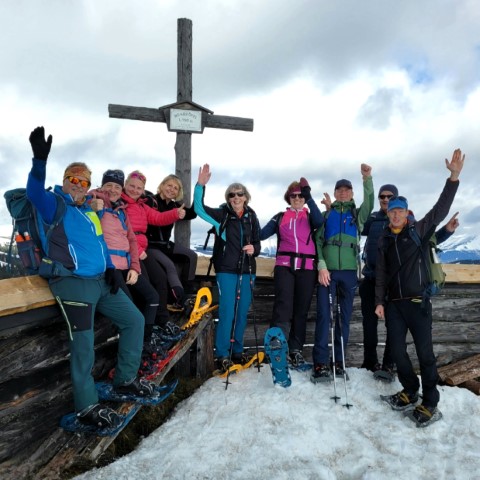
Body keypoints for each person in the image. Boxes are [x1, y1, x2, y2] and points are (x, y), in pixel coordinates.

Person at [26, 127, 156, 430]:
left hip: (101, 280)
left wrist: (111, 269)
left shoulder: (89, 211)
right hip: (72, 283)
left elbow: (100, 245)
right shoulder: (53, 206)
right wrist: (39, 161)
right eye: (73, 179)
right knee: (83, 344)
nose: (78, 185)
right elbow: (33, 191)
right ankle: (86, 406)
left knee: (134, 320)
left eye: (84, 181)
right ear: (64, 181)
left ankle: (125, 380)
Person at [375, 149, 464, 426]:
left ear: (407, 212)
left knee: (425, 353)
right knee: (398, 352)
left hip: (418, 303)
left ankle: (430, 402)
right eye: (392, 211)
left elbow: (440, 209)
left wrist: (453, 178)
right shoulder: (384, 240)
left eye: (400, 210)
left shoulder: (418, 232)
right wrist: (380, 301)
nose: (396, 215)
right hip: (394, 305)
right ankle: (410, 390)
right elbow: (381, 273)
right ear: (388, 214)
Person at [360, 183, 459, 378]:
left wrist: (447, 230)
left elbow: (431, 234)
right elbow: (356, 219)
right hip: (375, 280)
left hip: (405, 291)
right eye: (383, 197)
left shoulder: (414, 227)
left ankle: (390, 366)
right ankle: (370, 362)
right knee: (371, 326)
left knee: (409, 344)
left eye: (391, 198)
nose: (386, 200)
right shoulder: (373, 223)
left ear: (404, 211)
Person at [194, 164, 261, 371]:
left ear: (245, 196)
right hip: (226, 271)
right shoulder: (222, 215)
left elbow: (258, 242)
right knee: (227, 312)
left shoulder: (252, 216)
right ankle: (222, 354)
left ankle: (237, 351)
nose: (236, 197)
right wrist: (200, 186)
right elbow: (198, 208)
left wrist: (255, 249)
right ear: (228, 198)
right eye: (231, 195)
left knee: (241, 313)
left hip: (248, 270)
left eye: (239, 194)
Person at [311, 164, 374, 383]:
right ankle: (320, 362)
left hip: (348, 274)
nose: (344, 192)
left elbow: (370, 203)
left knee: (343, 319)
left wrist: (367, 179)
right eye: (340, 190)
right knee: (323, 317)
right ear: (336, 193)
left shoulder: (357, 215)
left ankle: (339, 361)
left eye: (347, 189)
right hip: (327, 273)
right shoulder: (326, 215)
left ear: (352, 193)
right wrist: (321, 264)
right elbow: (318, 242)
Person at [89, 169, 162, 349]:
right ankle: (134, 348)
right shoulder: (93, 202)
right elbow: (91, 237)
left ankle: (146, 341)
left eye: (117, 186)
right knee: (131, 310)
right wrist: (91, 208)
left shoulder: (121, 210)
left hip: (126, 265)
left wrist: (135, 268)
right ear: (102, 185)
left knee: (153, 296)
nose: (113, 190)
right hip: (109, 269)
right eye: (109, 185)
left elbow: (131, 240)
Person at [260, 177, 324, 368]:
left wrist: (309, 196)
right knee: (283, 307)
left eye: (300, 195)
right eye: (293, 195)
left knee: (301, 310)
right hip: (285, 266)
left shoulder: (310, 216)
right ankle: (278, 347)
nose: (297, 198)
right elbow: (261, 234)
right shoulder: (280, 217)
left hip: (307, 268)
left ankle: (296, 350)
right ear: (288, 198)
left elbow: (320, 221)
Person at [121, 170, 183, 339]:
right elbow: (120, 232)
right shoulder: (120, 205)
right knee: (146, 289)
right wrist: (138, 251)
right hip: (130, 252)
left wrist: (175, 214)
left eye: (139, 188)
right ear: (125, 185)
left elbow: (158, 218)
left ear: (143, 190)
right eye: (132, 186)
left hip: (142, 250)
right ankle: (146, 330)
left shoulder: (142, 206)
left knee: (161, 278)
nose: (135, 190)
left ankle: (162, 321)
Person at [145, 174, 198, 306]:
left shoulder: (175, 206)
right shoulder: (151, 201)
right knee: (170, 266)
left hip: (165, 245)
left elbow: (192, 213)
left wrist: (200, 187)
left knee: (191, 256)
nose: (171, 189)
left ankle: (188, 293)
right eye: (169, 185)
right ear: (162, 186)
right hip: (151, 246)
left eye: (175, 188)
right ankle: (180, 298)